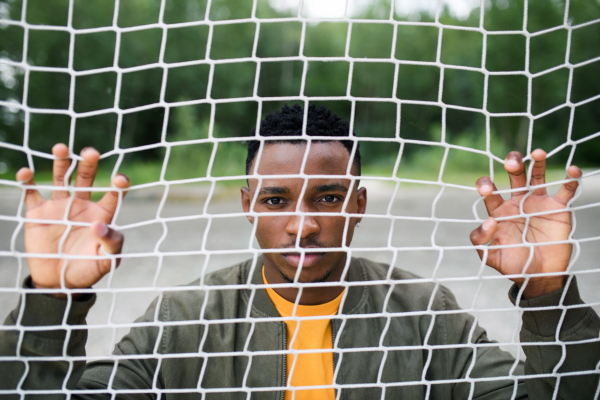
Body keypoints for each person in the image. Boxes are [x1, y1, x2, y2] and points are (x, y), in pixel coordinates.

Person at [1, 104, 598, 399]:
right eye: (277, 199)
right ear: (246, 204)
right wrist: (50, 301)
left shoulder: (425, 314)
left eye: (329, 197)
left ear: (358, 205)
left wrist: (548, 294)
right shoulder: (184, 323)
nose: (303, 225)